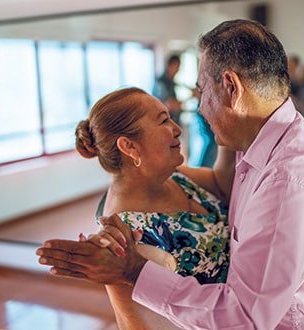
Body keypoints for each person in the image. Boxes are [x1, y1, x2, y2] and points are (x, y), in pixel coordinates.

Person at [37, 19, 304, 329]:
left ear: (231, 88)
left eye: (202, 90)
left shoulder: (286, 180)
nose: (199, 109)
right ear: (128, 147)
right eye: (163, 121)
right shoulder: (262, 146)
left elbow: (244, 319)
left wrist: (135, 271)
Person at [73, 87, 235, 329]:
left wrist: (228, 118)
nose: (177, 129)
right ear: (129, 146)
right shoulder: (124, 235)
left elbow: (222, 184)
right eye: (163, 121)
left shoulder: (174, 177)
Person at [153, 54, 183, 126]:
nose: (178, 70)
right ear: (170, 66)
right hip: (165, 125)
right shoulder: (161, 82)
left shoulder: (171, 82)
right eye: (177, 67)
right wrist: (190, 97)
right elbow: (169, 104)